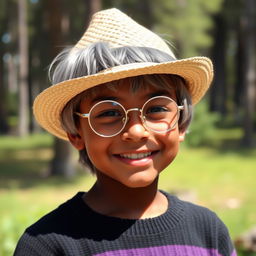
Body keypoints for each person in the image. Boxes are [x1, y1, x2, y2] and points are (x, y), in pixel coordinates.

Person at [14, 8, 237, 256]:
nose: (136, 131)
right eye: (109, 113)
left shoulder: (208, 232)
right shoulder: (47, 245)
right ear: (76, 133)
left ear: (181, 123)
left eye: (156, 109)